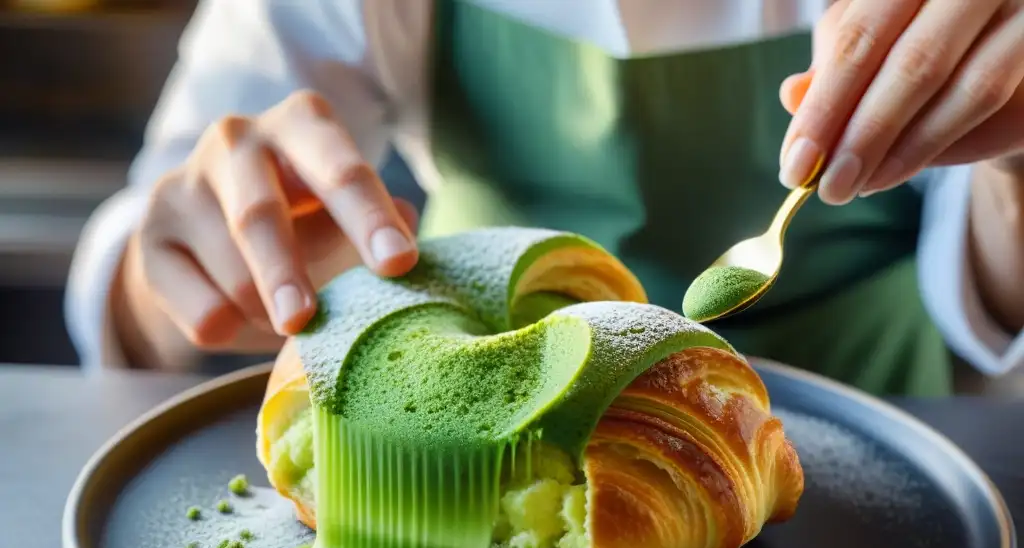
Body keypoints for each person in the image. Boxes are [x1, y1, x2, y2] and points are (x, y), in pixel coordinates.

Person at [64, 0, 1024, 396]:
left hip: (902, 411)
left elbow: (986, 277)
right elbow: (142, 276)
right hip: (484, 438)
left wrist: (1015, 170)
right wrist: (189, 273)